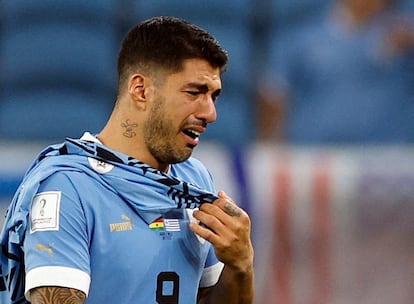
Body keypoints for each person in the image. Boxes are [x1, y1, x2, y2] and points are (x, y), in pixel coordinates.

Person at [0, 16, 254, 304]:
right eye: (194, 92)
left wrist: (240, 266)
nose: (210, 113)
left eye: (214, 96)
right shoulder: (67, 188)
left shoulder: (195, 179)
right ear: (141, 90)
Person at [257, 0, 414, 144]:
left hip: (387, 162)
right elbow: (274, 97)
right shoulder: (303, 38)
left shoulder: (402, 33)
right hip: (316, 158)